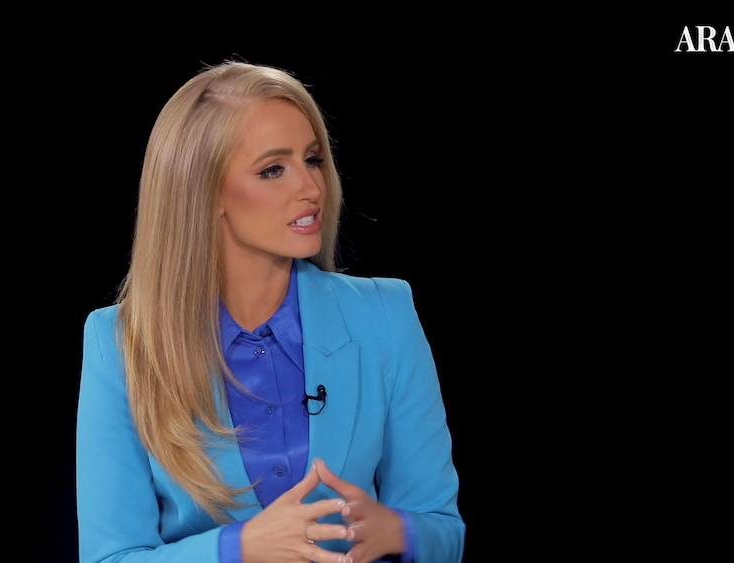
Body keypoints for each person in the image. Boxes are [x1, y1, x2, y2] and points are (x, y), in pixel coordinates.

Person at [76, 61, 464, 563]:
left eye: (313, 159)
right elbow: (110, 557)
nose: (312, 188)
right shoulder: (120, 344)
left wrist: (399, 532)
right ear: (205, 192)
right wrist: (239, 547)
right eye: (273, 170)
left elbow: (443, 530)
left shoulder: (386, 315)